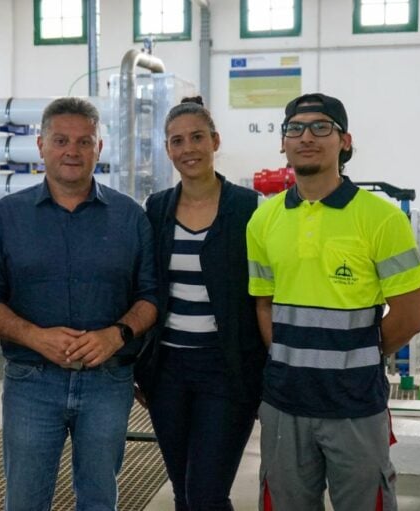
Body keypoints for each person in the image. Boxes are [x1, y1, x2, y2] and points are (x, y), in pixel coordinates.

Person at [0, 97, 158, 510]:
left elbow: (150, 297)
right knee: (25, 500)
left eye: (84, 141)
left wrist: (115, 335)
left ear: (99, 148)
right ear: (40, 145)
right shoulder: (7, 216)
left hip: (107, 382)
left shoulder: (130, 217)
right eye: (60, 140)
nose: (72, 151)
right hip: (31, 381)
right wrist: (35, 337)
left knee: (99, 500)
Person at [246, 93, 420, 511]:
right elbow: (263, 305)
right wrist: (292, 360)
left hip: (355, 405)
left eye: (321, 127)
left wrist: (354, 357)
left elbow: (410, 316)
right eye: (295, 128)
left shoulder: (382, 219)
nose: (307, 137)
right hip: (284, 403)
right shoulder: (263, 221)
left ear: (344, 141)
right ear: (283, 143)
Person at [135, 97, 267, 510]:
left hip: (227, 369)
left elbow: (266, 295)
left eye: (197, 137)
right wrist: (138, 364)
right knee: (183, 492)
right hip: (167, 371)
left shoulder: (250, 208)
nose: (188, 148)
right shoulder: (156, 208)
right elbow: (144, 287)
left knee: (207, 494)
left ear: (215, 141)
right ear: (167, 149)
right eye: (177, 141)